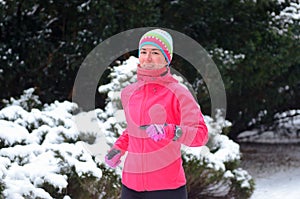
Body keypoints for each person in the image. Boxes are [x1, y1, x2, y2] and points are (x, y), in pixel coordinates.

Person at [105, 28, 208, 199]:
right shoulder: (129, 93)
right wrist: (119, 148)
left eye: (155, 52)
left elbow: (201, 134)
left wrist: (171, 131)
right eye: (144, 52)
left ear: (167, 58)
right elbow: (133, 131)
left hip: (167, 188)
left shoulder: (179, 93)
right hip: (131, 186)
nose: (148, 57)